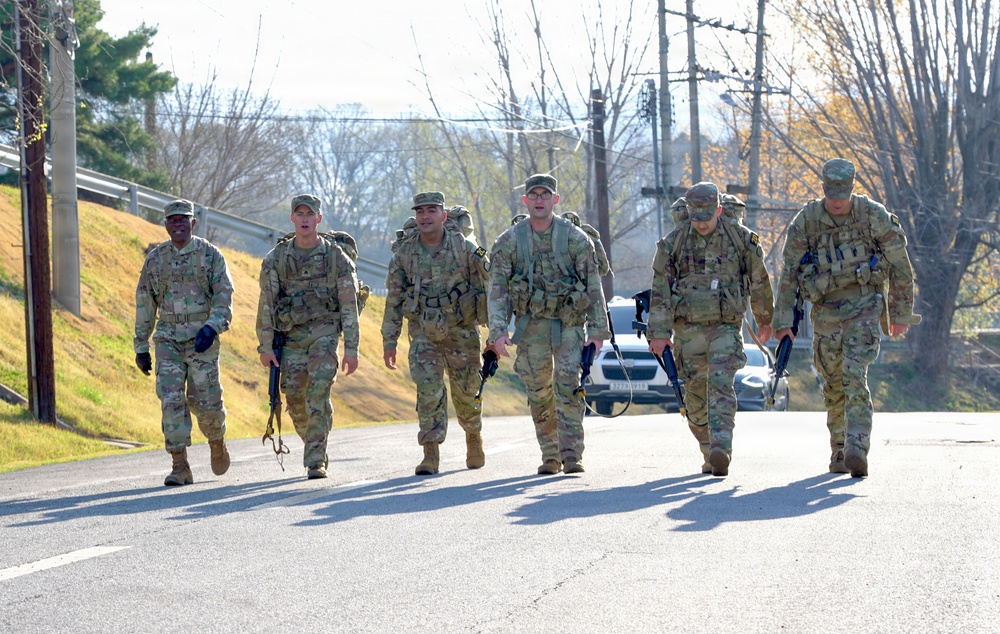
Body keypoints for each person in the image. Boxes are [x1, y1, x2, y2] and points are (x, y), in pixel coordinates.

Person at [773, 159, 920, 478]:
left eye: (843, 192)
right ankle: (838, 449)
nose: (837, 199)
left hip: (864, 306)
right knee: (833, 383)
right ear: (823, 188)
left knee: (854, 374)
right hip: (825, 312)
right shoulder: (808, 220)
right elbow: (789, 273)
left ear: (852, 189)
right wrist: (784, 319)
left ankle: (856, 447)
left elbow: (900, 266)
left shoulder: (873, 215)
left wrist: (900, 311)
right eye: (831, 192)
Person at [647, 182, 774, 477]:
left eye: (707, 215)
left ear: (718, 209)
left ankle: (721, 448)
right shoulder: (674, 242)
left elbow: (759, 279)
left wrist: (765, 319)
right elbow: (660, 289)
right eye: (696, 217)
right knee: (693, 393)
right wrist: (659, 333)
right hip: (687, 330)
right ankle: (708, 447)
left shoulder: (740, 239)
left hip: (725, 327)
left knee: (720, 385)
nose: (702, 223)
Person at [487, 174, 610, 475]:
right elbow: (498, 289)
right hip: (531, 328)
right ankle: (550, 455)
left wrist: (597, 331)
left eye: (546, 195)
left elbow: (593, 284)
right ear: (525, 201)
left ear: (555, 199)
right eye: (534, 195)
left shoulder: (574, 238)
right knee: (539, 392)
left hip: (568, 325)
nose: (539, 200)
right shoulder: (510, 241)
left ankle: (572, 455)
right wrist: (498, 331)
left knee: (569, 388)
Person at [381, 191, 490, 475]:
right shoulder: (404, 253)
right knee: (428, 391)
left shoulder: (464, 248)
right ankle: (430, 453)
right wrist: (389, 341)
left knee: (466, 392)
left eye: (431, 211)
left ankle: (473, 437)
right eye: (420, 212)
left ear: (443, 215)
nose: (425, 217)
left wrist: (496, 332)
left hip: (461, 332)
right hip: (424, 334)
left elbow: (489, 287)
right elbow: (393, 299)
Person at [255, 194, 361, 480]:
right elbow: (266, 304)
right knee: (295, 401)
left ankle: (315, 460)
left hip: (325, 334)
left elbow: (349, 305)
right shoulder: (277, 258)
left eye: (309, 214)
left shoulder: (335, 258)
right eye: (299, 214)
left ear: (318, 219)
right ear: (292, 218)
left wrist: (351, 348)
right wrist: (265, 346)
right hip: (291, 338)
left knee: (318, 391)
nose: (304, 218)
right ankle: (317, 445)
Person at [134, 199, 234, 486]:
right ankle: (180, 465)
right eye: (172, 220)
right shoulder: (155, 259)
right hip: (168, 339)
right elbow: (144, 302)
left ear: (193, 223)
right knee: (171, 399)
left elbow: (224, 295)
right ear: (165, 225)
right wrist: (141, 346)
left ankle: (217, 441)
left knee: (206, 400)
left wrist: (212, 327)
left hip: (202, 338)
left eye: (183, 219)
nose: (178, 224)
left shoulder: (210, 255)